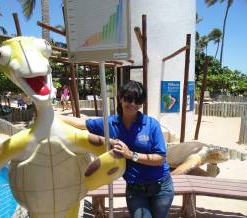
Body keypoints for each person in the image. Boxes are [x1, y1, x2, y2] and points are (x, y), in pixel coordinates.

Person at [62, 80, 174, 217]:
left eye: (137, 101)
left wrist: (131, 155)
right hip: (135, 189)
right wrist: (51, 116)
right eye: (128, 99)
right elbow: (82, 124)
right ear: (121, 98)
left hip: (161, 187)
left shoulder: (151, 125)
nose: (133, 104)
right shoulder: (110, 123)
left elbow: (160, 159)